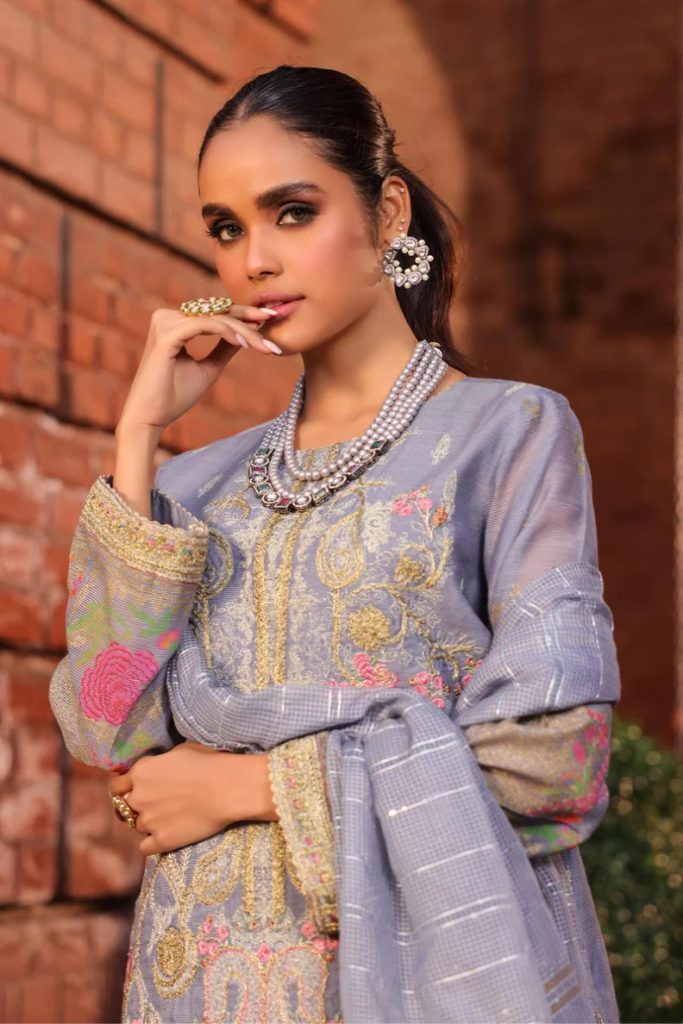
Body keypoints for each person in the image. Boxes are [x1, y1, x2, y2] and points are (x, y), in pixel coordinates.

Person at [49, 65, 621, 1024]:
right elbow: (112, 730)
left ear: (387, 211)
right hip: (195, 982)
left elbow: (553, 763)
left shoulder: (506, 433)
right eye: (225, 229)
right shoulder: (190, 488)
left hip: (416, 986)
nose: (253, 261)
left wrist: (249, 785)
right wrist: (139, 438)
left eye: (292, 213)